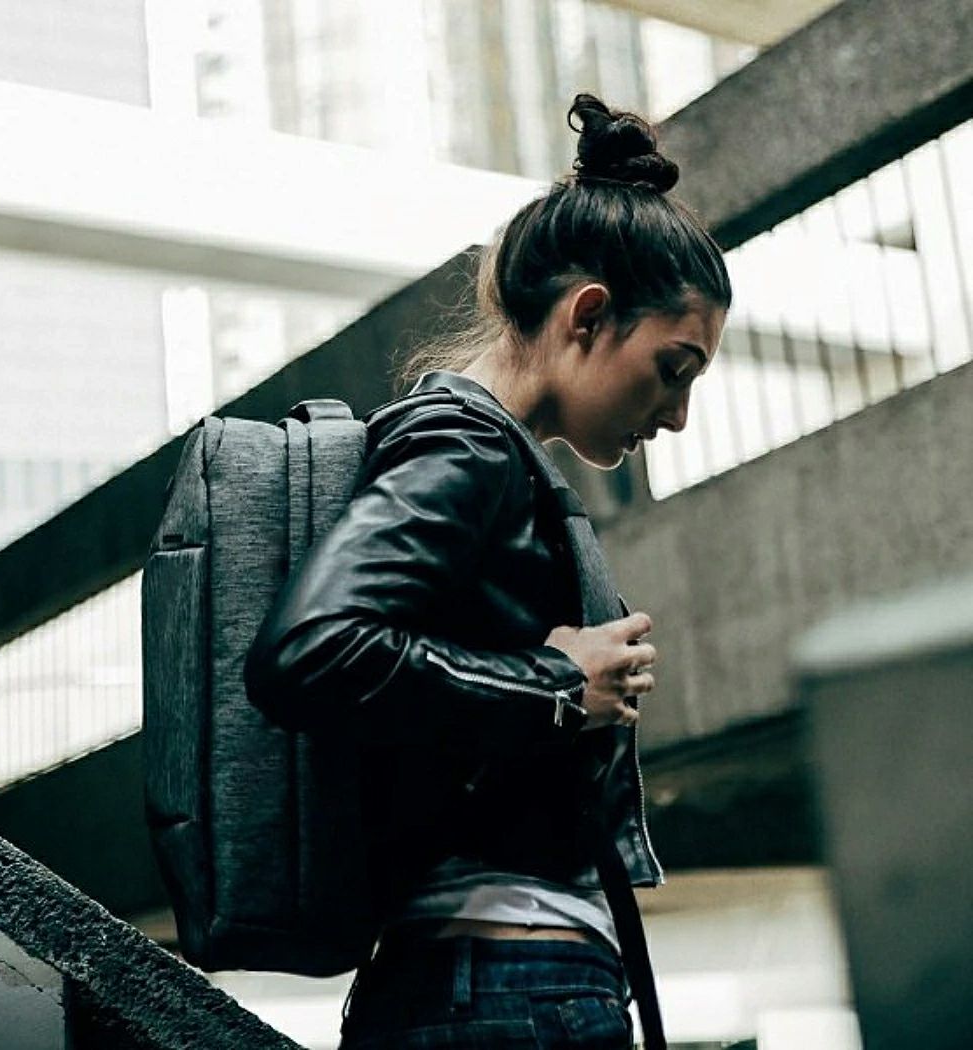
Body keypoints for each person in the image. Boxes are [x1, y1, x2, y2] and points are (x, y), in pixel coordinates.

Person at [245, 93, 731, 1049]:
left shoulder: (488, 455)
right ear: (589, 315)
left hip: (496, 987)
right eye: (673, 369)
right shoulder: (465, 445)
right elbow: (311, 649)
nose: (677, 416)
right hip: (507, 990)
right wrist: (559, 686)